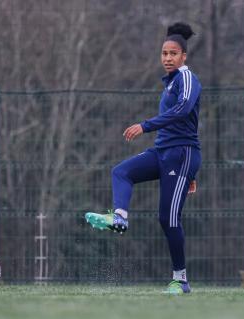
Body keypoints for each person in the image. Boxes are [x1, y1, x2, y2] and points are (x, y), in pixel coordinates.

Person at [85, 22, 202, 295]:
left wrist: (146, 125)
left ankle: (181, 280)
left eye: (173, 53)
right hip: (162, 153)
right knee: (121, 172)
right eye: (164, 53)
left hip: (181, 154)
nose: (168, 58)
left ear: (184, 56)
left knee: (168, 218)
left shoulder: (187, 78)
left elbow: (184, 111)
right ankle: (120, 217)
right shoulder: (171, 83)